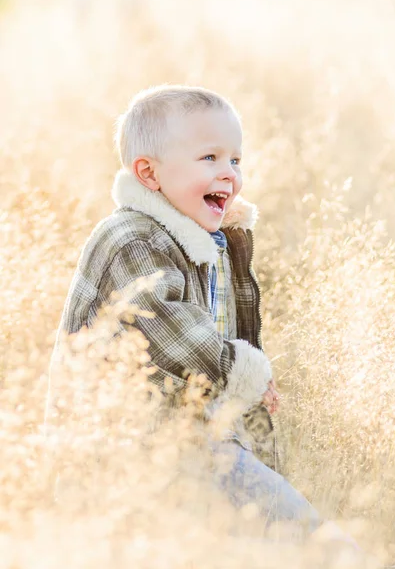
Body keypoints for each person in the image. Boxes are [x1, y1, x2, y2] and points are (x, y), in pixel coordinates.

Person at [46, 84, 334, 539]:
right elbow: (168, 330)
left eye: (235, 160)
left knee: (252, 538)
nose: (230, 173)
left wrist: (248, 376)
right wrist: (241, 368)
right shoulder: (132, 240)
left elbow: (216, 333)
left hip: (191, 443)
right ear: (149, 173)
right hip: (131, 451)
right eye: (210, 158)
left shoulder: (202, 238)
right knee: (299, 531)